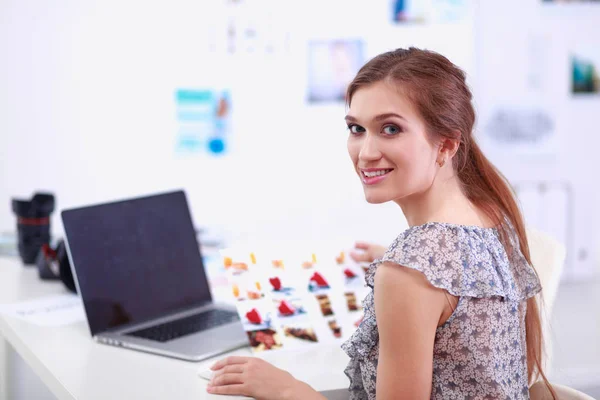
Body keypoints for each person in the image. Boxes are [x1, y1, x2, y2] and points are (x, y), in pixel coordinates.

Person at [206, 47, 555, 399]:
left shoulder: (411, 271)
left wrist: (285, 389)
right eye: (356, 128)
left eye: (390, 129)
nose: (366, 152)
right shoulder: (489, 214)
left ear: (446, 146)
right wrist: (398, 264)